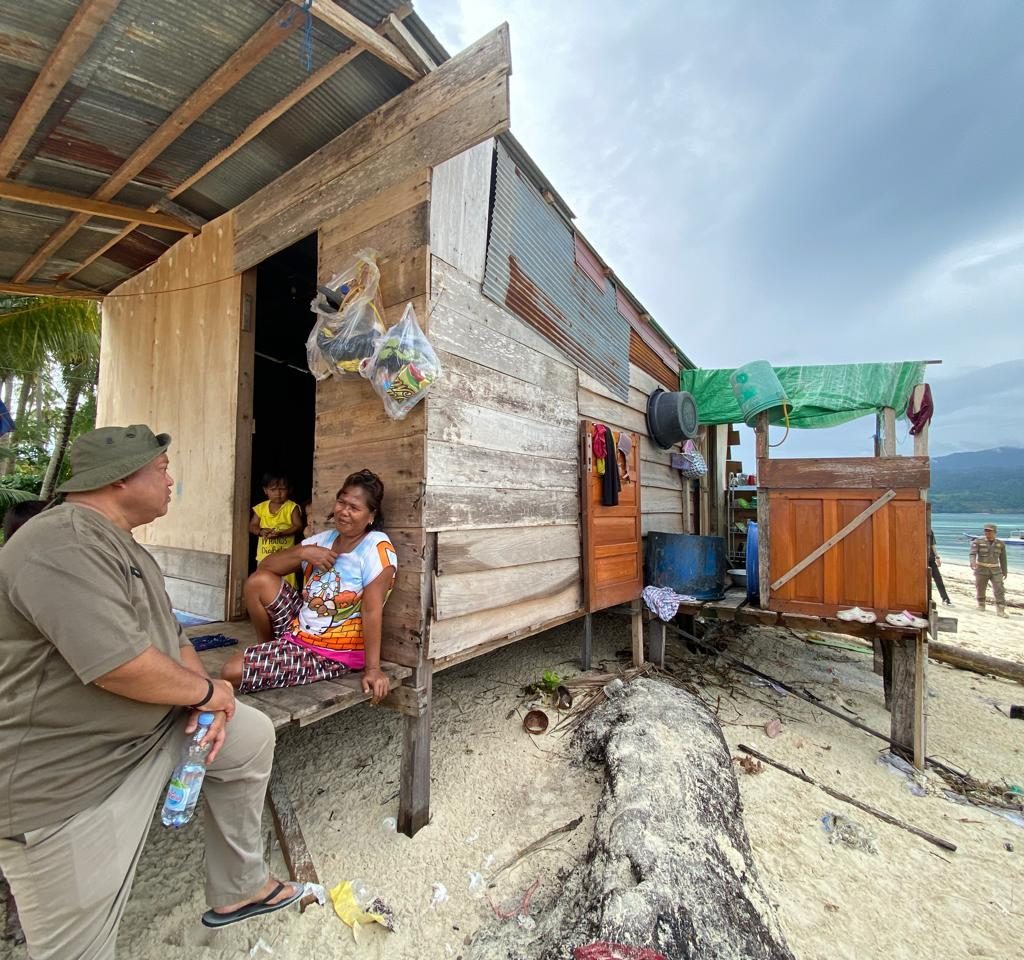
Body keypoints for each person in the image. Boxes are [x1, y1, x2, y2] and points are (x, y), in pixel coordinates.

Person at [0, 425, 303, 959]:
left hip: (149, 731)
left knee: (249, 734)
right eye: (161, 470)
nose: (171, 481)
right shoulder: (61, 541)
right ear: (120, 479)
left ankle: (240, 888)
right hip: (77, 772)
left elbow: (172, 637)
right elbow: (119, 666)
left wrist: (206, 695)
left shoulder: (120, 545)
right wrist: (209, 693)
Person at [222, 469, 395, 703]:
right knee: (258, 582)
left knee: (231, 672)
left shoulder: (376, 547)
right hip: (300, 629)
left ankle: (276, 655)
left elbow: (372, 610)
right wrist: (303, 552)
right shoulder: (322, 540)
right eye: (341, 502)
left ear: (371, 516)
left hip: (331, 651)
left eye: (354, 508)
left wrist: (373, 669)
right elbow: (266, 567)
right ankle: (270, 647)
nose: (344, 511)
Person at [250, 473, 303, 589]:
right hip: (264, 556)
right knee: (264, 584)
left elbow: (298, 526)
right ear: (265, 490)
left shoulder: (291, 507)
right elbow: (252, 526)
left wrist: (282, 533)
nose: (278, 493)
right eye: (273, 490)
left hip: (286, 557)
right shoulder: (261, 508)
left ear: (289, 490)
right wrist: (261, 531)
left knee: (287, 586)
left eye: (282, 489)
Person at [970, 522, 1008, 618]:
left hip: (995, 569)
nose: (987, 533)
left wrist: (1005, 571)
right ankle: (981, 604)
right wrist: (973, 562)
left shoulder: (1000, 544)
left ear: (995, 532)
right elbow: (972, 553)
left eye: (990, 531)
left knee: (999, 589)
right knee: (980, 587)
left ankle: (1000, 609)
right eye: (986, 531)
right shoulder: (978, 542)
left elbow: (1003, 559)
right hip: (981, 569)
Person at [928, 529, 951, 606]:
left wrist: (937, 557)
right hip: (920, 559)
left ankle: (945, 599)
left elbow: (933, 545)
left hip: (931, 559)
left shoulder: (929, 531)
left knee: (938, 579)